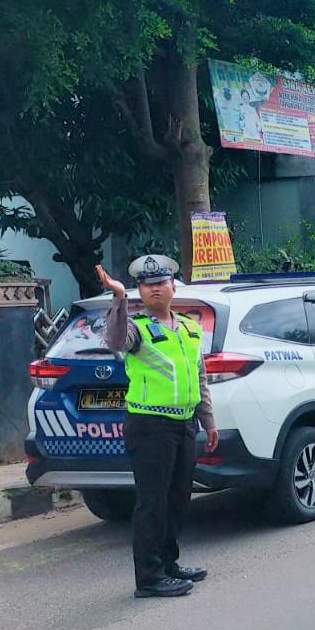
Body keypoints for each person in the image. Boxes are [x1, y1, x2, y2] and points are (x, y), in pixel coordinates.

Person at [96, 256, 218, 598]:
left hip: (183, 424)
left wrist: (208, 420)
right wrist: (119, 298)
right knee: (152, 502)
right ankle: (148, 578)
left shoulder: (191, 328)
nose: (155, 288)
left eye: (161, 282)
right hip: (149, 425)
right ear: (140, 291)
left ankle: (168, 563)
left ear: (173, 287)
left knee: (178, 498)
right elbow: (115, 341)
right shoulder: (138, 329)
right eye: (147, 285)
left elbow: (200, 376)